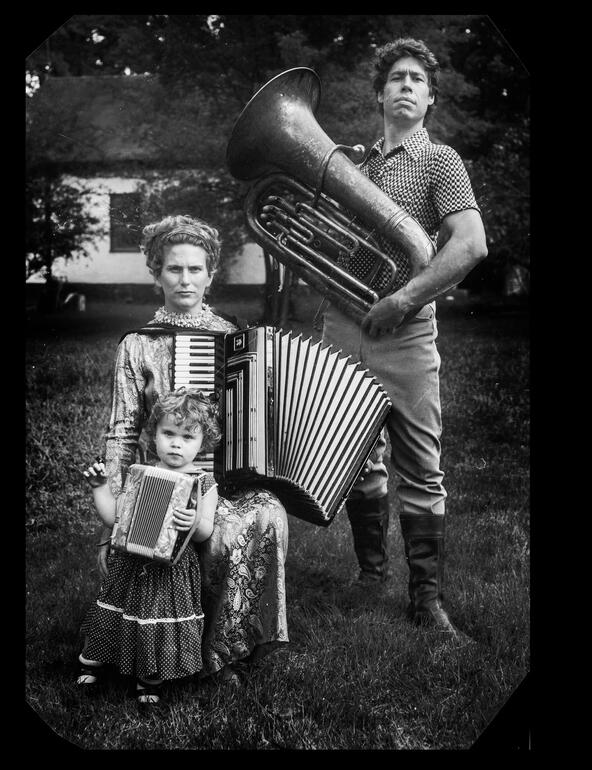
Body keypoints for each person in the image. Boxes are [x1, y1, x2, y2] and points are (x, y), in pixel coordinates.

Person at [321, 38, 488, 635]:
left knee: (421, 463)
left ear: (431, 97)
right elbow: (325, 242)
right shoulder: (350, 165)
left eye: (418, 78)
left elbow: (470, 245)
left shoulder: (441, 160)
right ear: (382, 93)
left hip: (406, 326)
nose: (407, 85)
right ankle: (371, 574)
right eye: (396, 77)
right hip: (343, 320)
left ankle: (426, 598)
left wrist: (403, 299)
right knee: (354, 458)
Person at [95, 214, 289, 685]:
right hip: (157, 486)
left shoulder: (234, 340)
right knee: (198, 534)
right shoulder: (138, 345)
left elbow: (252, 424)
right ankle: (172, 648)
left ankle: (225, 650)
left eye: (195, 270)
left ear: (210, 274)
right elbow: (122, 431)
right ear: (157, 274)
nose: (185, 280)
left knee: (267, 512)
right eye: (174, 269)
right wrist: (113, 513)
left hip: (216, 482)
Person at [78, 389, 219, 705]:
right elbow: (115, 517)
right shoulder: (139, 473)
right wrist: (100, 487)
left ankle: (148, 677)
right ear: (154, 435)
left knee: (156, 620)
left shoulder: (203, 483)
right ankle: (94, 660)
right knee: (115, 610)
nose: (176, 443)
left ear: (203, 443)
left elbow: (206, 529)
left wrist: (192, 522)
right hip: (130, 563)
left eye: (187, 437)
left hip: (171, 571)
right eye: (168, 433)